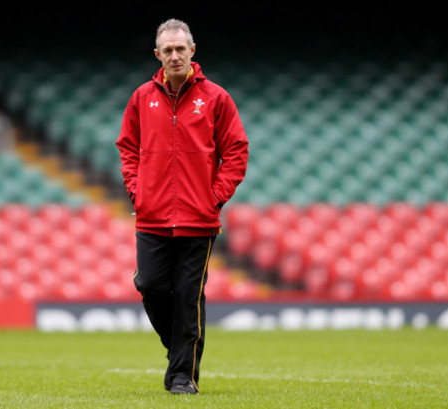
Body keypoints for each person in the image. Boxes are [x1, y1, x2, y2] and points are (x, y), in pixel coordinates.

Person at [116, 18, 249, 395]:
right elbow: (127, 147)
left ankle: (181, 377)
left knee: (189, 296)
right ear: (157, 55)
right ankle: (179, 350)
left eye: (181, 48)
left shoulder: (217, 98)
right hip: (152, 216)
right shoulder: (142, 97)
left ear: (192, 51)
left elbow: (237, 151)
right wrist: (136, 190)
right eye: (168, 50)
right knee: (151, 286)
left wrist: (215, 196)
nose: (175, 55)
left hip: (199, 219)